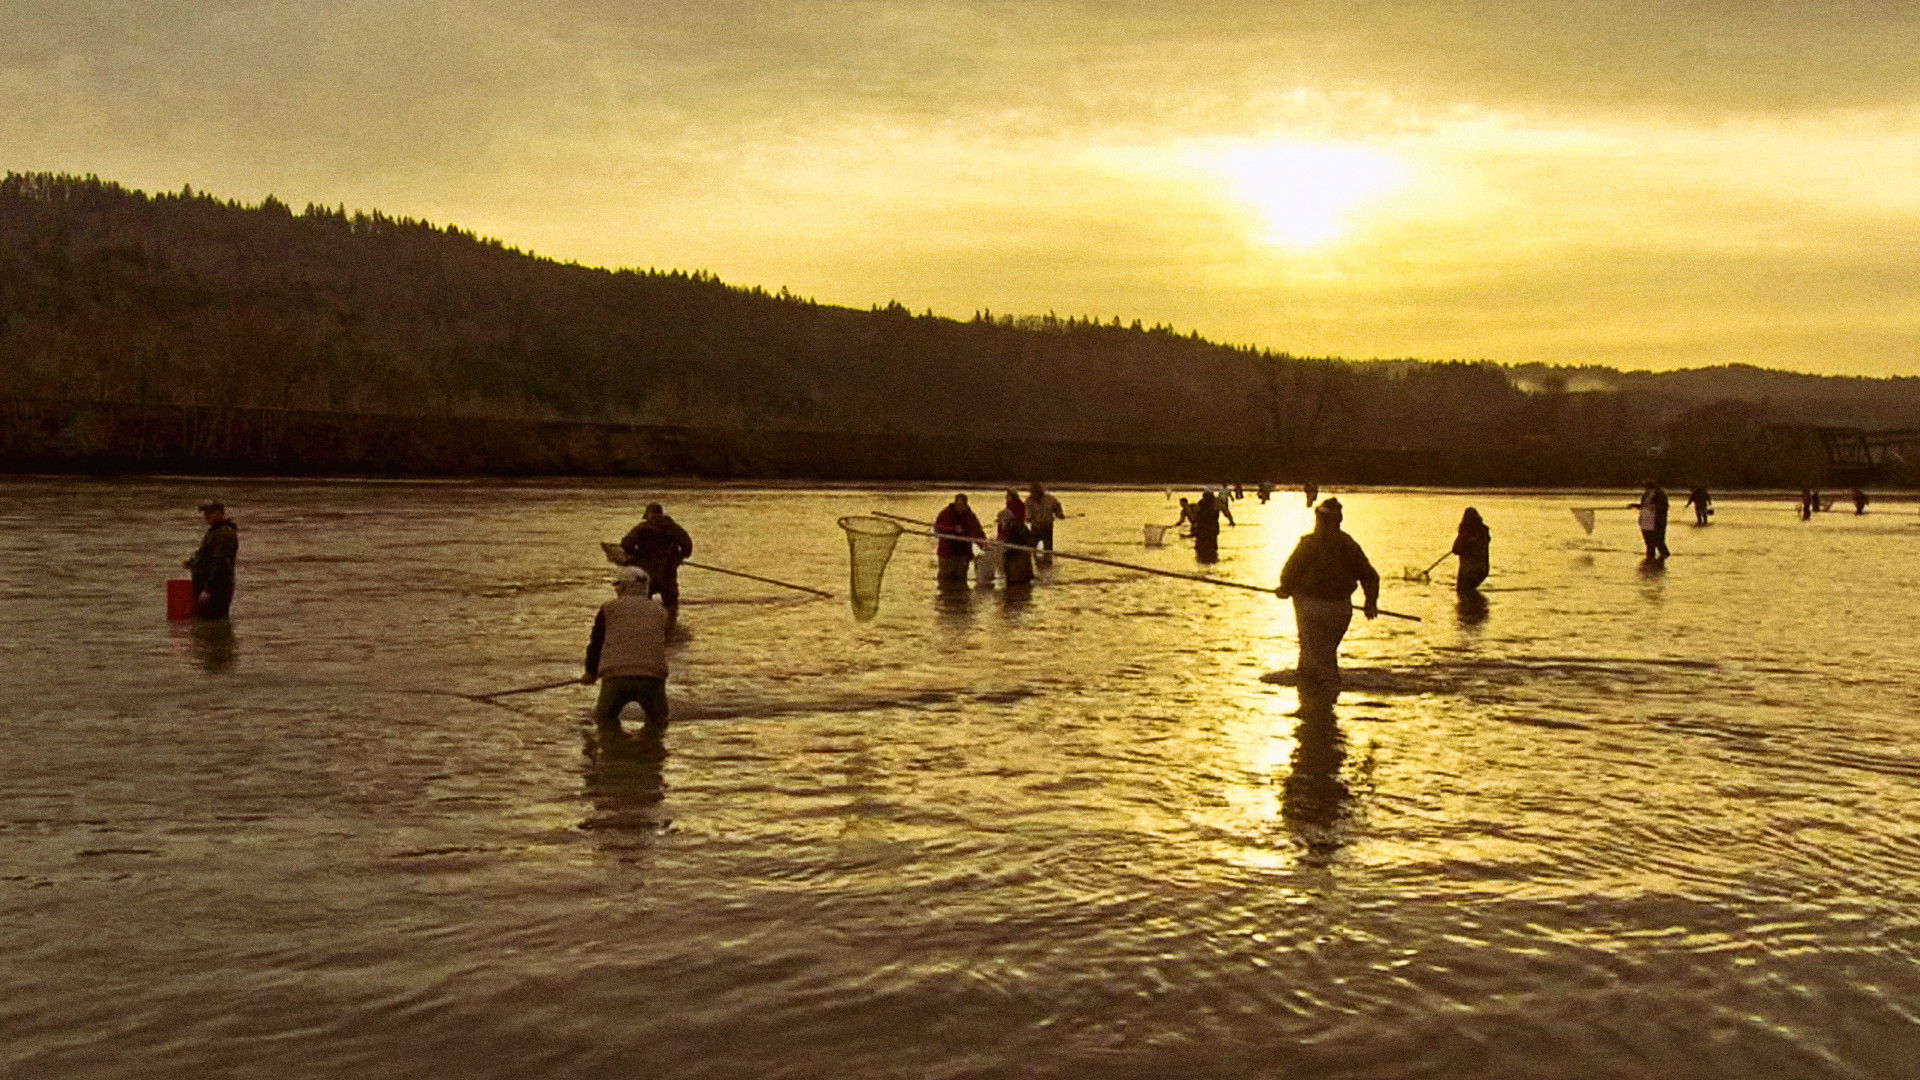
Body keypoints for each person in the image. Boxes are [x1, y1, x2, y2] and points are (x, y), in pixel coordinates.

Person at [1276, 498, 1379, 687]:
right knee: (1325, 653)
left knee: (1312, 653)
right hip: (1340, 610)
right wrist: (1370, 603)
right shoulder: (1349, 544)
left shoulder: (1309, 544)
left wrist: (1285, 588)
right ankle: (1322, 698)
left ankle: (1316, 694)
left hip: (1310, 607)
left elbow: (1290, 571)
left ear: (1320, 520)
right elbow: (1370, 576)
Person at [582, 567, 672, 738]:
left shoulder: (608, 609)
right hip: (653, 677)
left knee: (603, 721)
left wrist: (590, 672)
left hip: (616, 676)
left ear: (622, 587)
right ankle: (654, 755)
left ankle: (605, 754)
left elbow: (596, 643)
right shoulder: (661, 612)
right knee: (660, 722)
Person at [619, 503, 694, 625]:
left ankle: (649, 630)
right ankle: (670, 629)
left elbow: (626, 545)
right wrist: (679, 557)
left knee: (644, 607)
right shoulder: (673, 528)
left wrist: (634, 556)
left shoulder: (641, 529)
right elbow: (687, 545)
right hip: (667, 574)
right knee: (671, 606)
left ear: (647, 515)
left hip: (648, 575)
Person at [183, 499, 239, 618]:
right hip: (208, 589)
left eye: (209, 512)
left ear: (220, 513)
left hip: (216, 591)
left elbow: (221, 563)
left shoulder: (224, 533)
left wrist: (208, 589)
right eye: (205, 513)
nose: (206, 516)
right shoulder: (215, 531)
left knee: (212, 623)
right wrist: (194, 563)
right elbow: (208, 556)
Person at [933, 493, 986, 582]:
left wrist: (983, 544)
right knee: (945, 578)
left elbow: (977, 531)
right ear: (956, 503)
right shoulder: (946, 513)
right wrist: (953, 529)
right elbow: (938, 529)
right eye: (959, 504)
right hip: (947, 553)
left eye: (963, 505)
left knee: (961, 577)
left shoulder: (970, 516)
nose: (961, 507)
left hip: (963, 553)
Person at [997, 490, 1035, 586]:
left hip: (1014, 541)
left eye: (1007, 496)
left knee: (1014, 566)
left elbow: (1009, 526)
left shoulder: (1012, 509)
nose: (1006, 498)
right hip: (1019, 540)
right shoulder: (1020, 507)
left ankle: (1015, 579)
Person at [1451, 507, 1491, 593]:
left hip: (1468, 571)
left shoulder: (1466, 531)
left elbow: (1455, 549)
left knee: (1462, 592)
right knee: (1468, 593)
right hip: (1482, 570)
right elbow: (1456, 549)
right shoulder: (1483, 531)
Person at [1024, 483, 1067, 552]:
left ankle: (1047, 560)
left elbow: (1057, 506)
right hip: (1035, 529)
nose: (1032, 493)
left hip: (1047, 528)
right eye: (1031, 491)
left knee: (1048, 550)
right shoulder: (1029, 501)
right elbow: (1027, 514)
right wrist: (1028, 518)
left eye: (1034, 491)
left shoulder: (1050, 499)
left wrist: (1059, 513)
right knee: (1030, 549)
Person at [1633, 481, 1670, 560]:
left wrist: (1651, 507)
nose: (1645, 489)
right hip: (1645, 522)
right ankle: (1651, 561)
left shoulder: (1660, 494)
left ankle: (1663, 558)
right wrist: (1635, 505)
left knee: (1659, 542)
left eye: (1646, 487)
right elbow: (1643, 506)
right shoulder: (1646, 495)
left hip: (1657, 522)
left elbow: (1663, 507)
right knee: (1649, 544)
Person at [1191, 490, 1228, 562]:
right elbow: (1225, 512)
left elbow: (1195, 516)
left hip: (1203, 528)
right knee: (1211, 545)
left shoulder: (1201, 503)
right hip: (1211, 528)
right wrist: (1231, 521)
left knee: (1201, 546)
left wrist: (1194, 524)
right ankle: (1211, 557)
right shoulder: (1215, 503)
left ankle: (1204, 557)